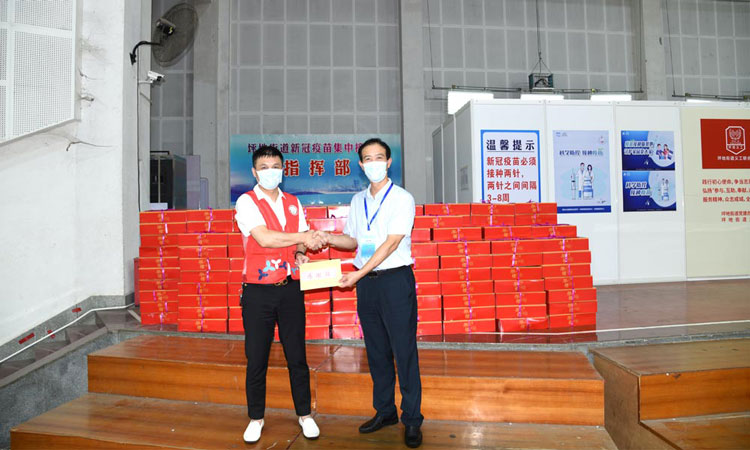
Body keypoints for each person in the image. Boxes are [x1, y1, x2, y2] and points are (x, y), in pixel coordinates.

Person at [315, 138, 423, 448]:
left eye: (379, 158)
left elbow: (391, 243)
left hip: (394, 281)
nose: (374, 163)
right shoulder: (357, 200)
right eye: (368, 159)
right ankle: (385, 412)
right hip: (368, 285)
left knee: (404, 352)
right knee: (376, 351)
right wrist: (327, 237)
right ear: (361, 165)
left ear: (388, 162)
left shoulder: (402, 198)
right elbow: (353, 240)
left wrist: (358, 273)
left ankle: (412, 419)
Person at [234, 145, 323, 444]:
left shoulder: (293, 202)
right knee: (256, 357)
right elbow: (264, 238)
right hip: (258, 292)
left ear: (283, 169)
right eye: (264, 167)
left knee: (297, 355)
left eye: (275, 166)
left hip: (290, 289)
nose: (270, 171)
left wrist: (300, 252)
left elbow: (299, 243)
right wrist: (303, 237)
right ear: (254, 172)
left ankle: (305, 415)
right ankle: (256, 418)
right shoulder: (247, 202)